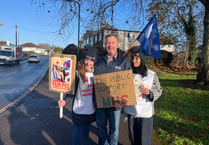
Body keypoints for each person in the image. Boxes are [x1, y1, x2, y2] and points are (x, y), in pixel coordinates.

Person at [94, 34, 132, 145]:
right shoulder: (98, 59)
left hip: (116, 103)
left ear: (117, 44)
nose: (110, 45)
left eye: (112, 43)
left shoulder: (124, 62)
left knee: (114, 129)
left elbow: (128, 83)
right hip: (100, 102)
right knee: (100, 127)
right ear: (105, 45)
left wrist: (124, 102)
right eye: (108, 43)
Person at [59, 45, 97, 145]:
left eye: (91, 61)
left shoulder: (96, 74)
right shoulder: (77, 74)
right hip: (79, 109)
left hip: (90, 109)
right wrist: (65, 101)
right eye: (87, 60)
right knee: (78, 131)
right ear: (84, 60)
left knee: (86, 133)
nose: (89, 63)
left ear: (94, 62)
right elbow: (71, 92)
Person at [123, 50, 162, 145]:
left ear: (142, 60)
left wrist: (150, 93)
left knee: (144, 141)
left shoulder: (151, 75)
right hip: (131, 111)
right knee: (133, 139)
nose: (134, 61)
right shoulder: (127, 74)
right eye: (132, 58)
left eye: (137, 58)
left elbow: (159, 90)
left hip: (145, 113)